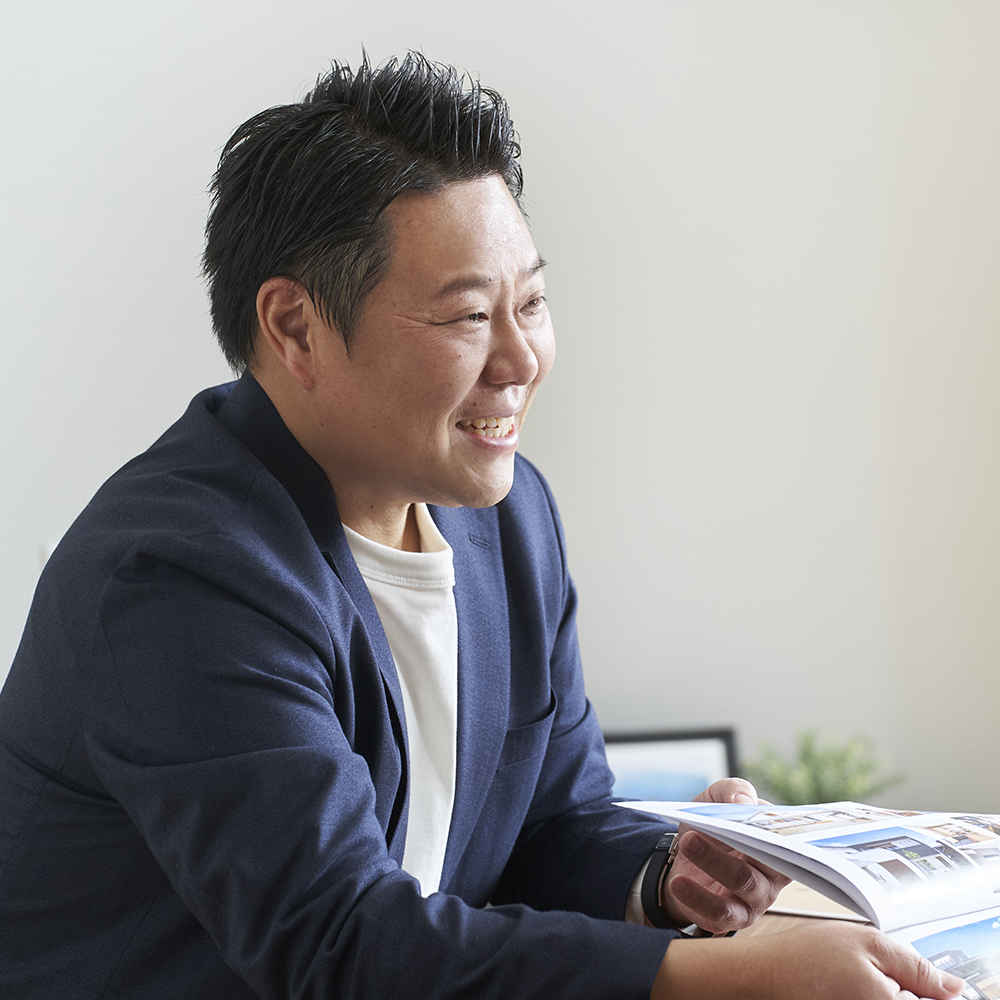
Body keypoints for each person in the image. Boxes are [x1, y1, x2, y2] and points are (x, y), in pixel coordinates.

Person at [0, 53, 965, 1000]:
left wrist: (664, 875)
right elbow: (337, 943)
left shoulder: (508, 520)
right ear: (294, 327)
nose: (521, 360)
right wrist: (714, 978)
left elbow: (552, 824)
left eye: (532, 303)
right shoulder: (181, 574)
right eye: (468, 317)